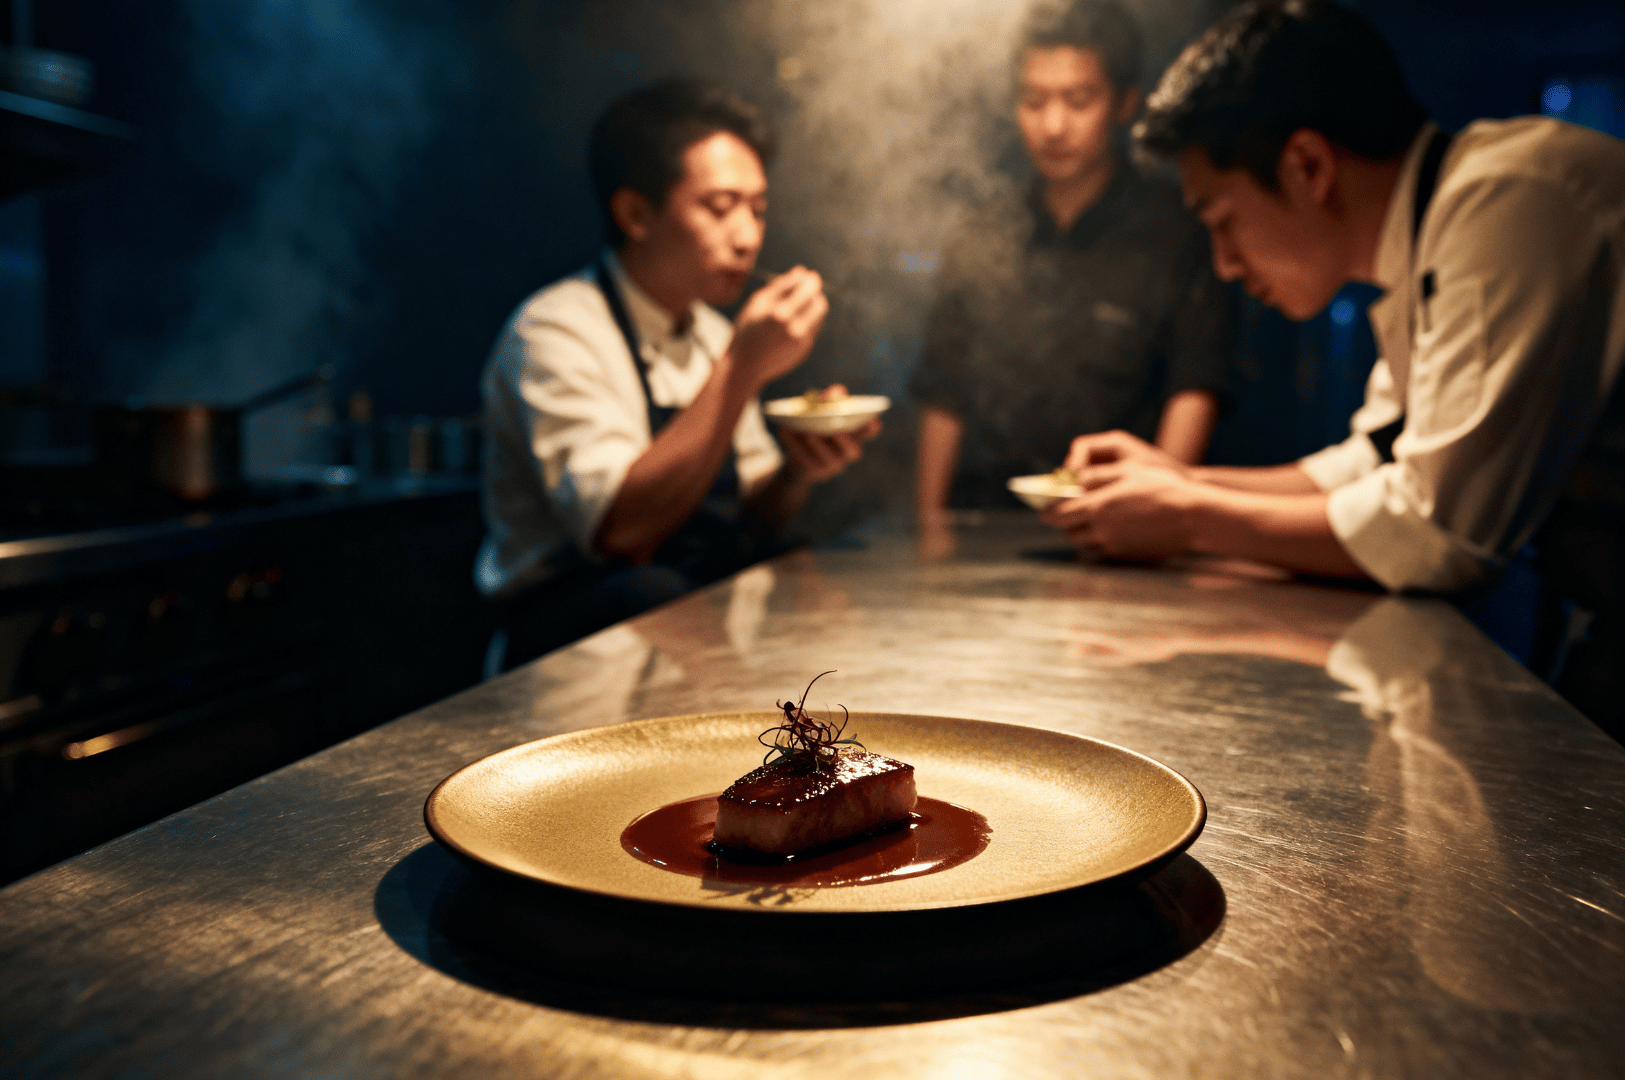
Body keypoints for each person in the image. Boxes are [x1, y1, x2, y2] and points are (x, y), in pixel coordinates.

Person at [1043, 0, 1625, 735]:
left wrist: (1185, 517)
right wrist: (1172, 479)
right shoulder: (1434, 225)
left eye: (1222, 221)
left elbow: (1432, 536)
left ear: (1308, 165)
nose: (1223, 265)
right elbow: (1369, 462)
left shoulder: (1508, 199)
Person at [476, 78, 879, 673]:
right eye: (720, 209)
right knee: (650, 590)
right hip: (566, 633)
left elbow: (754, 516)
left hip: (688, 621)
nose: (747, 237)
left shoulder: (713, 334)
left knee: (793, 560)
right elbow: (620, 533)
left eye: (758, 210)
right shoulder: (555, 330)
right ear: (636, 214)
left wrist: (800, 467)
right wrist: (741, 368)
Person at [912, 0, 1232, 524]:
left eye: (1079, 100)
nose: (1054, 126)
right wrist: (928, 529)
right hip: (983, 524)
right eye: (1033, 101)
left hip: (1119, 529)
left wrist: (1159, 517)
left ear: (1125, 104)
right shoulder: (980, 235)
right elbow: (943, 397)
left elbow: (1194, 387)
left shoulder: (1178, 232)